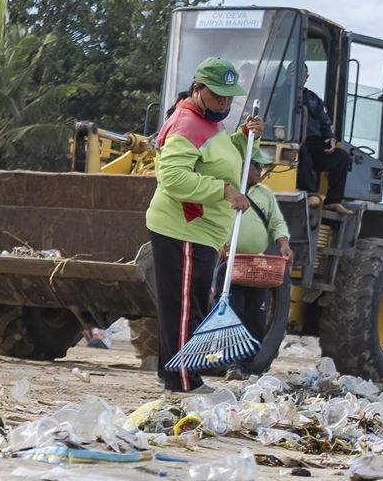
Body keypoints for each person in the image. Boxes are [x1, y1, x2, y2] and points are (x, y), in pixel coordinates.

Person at [143, 56, 262, 391]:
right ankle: (182, 384)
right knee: (183, 308)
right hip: (181, 228)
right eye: (218, 95)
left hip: (201, 232)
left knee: (191, 304)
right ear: (198, 89)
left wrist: (243, 137)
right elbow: (174, 178)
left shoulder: (211, 122)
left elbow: (218, 158)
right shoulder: (186, 124)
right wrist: (224, 191)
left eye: (229, 97)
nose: (224, 103)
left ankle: (179, 376)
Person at [229, 145, 292, 344]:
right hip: (228, 262)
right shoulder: (227, 191)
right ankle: (227, 360)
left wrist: (283, 244)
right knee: (231, 311)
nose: (261, 171)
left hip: (256, 264)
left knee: (255, 314)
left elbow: (276, 222)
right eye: (257, 166)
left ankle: (247, 364)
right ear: (244, 166)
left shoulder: (265, 194)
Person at [296, 64, 349, 211]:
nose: (299, 77)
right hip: (292, 141)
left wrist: (331, 138)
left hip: (315, 143)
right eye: (295, 73)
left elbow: (325, 121)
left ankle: (332, 200)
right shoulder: (279, 95)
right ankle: (308, 193)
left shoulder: (313, 98)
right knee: (302, 149)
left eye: (303, 74)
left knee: (341, 157)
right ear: (288, 75)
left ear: (307, 78)